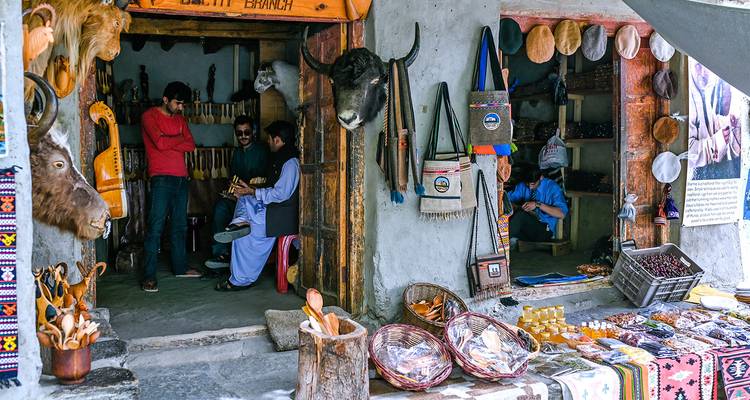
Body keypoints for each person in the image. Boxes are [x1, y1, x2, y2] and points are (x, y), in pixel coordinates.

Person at [214, 120, 299, 291]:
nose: (267, 142)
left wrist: (253, 192)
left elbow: (280, 194)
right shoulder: (281, 158)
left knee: (245, 238)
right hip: (275, 210)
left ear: (277, 140)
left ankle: (240, 280)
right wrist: (248, 191)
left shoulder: (290, 163)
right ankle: (240, 223)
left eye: (270, 139)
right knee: (243, 200)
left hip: (280, 217)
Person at [141, 81, 201, 293]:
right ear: (165, 99)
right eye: (177, 103)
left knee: (179, 226)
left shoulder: (181, 119)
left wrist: (169, 140)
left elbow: (191, 145)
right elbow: (159, 143)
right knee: (155, 227)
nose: (180, 107)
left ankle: (180, 267)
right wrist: (177, 140)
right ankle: (149, 276)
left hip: (181, 179)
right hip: (160, 178)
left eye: (183, 104)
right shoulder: (149, 116)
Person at [205, 115, 269, 269]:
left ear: (253, 131)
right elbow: (234, 178)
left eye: (246, 132)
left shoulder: (263, 151)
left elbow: (267, 181)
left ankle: (235, 255)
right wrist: (231, 191)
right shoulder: (237, 153)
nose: (243, 136)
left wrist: (249, 189)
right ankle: (221, 255)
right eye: (239, 133)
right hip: (238, 197)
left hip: (257, 198)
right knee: (220, 207)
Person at [689, 62, 741, 180]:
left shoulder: (702, 88)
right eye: (698, 65)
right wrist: (718, 141)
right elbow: (688, 153)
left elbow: (708, 121)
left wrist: (727, 122)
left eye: (708, 68)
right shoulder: (688, 98)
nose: (703, 73)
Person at [507, 165, 568, 242]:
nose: (530, 187)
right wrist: (516, 207)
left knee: (520, 216)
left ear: (541, 178)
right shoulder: (523, 185)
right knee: (509, 214)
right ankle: (500, 242)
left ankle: (499, 244)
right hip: (527, 230)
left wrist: (537, 204)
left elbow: (562, 214)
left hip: (545, 230)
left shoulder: (552, 188)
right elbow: (507, 200)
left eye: (533, 184)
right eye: (527, 184)